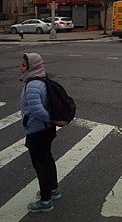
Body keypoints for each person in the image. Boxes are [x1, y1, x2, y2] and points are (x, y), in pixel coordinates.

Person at [20, 53, 61, 213]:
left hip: (38, 131)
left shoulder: (32, 85)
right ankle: (53, 190)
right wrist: (51, 122)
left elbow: (37, 110)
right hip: (46, 130)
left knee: (40, 165)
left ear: (32, 66)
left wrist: (50, 119)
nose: (21, 68)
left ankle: (45, 201)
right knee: (48, 160)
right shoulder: (42, 79)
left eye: (24, 65)